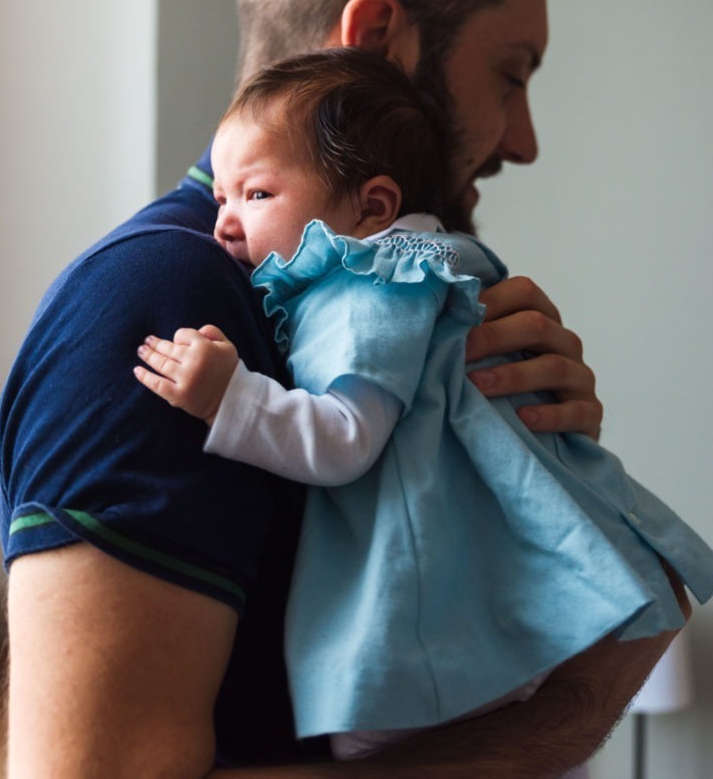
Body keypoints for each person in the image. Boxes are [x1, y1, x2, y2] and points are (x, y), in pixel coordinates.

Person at [0, 0, 689, 779]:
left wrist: (531, 473)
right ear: (376, 40)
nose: (522, 140)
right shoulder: (162, 303)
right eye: (510, 75)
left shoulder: (348, 299)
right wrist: (573, 706)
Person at [134, 48, 712, 763]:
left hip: (425, 607)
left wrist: (232, 397)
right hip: (488, 589)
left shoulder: (366, 285)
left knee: (364, 739)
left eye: (254, 195)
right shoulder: (397, 272)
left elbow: (345, 437)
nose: (223, 224)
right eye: (221, 197)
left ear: (371, 207)